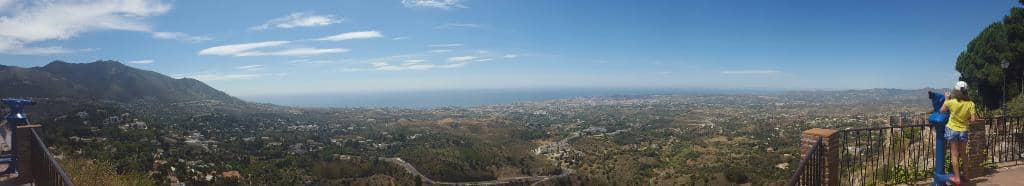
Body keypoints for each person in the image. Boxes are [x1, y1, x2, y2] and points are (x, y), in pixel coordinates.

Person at [939, 81, 977, 185]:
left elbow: (941, 110)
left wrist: (946, 99)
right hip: (963, 130)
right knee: (964, 154)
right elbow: (973, 120)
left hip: (952, 130)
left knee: (954, 155)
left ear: (956, 91)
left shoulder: (951, 102)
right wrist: (965, 119)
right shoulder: (970, 104)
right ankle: (966, 175)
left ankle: (957, 178)